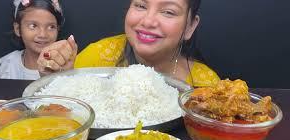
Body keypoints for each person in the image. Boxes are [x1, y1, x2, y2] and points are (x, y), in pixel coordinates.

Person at [37, 0, 219, 87]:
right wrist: (57, 79)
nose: (148, 21)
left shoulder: (207, 85)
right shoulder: (96, 56)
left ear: (190, 26)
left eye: (168, 12)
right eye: (140, 6)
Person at [0, 0, 76, 80]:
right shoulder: (10, 63)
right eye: (33, 26)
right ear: (17, 29)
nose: (43, 35)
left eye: (51, 27)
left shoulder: (64, 66)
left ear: (57, 29)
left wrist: (65, 75)